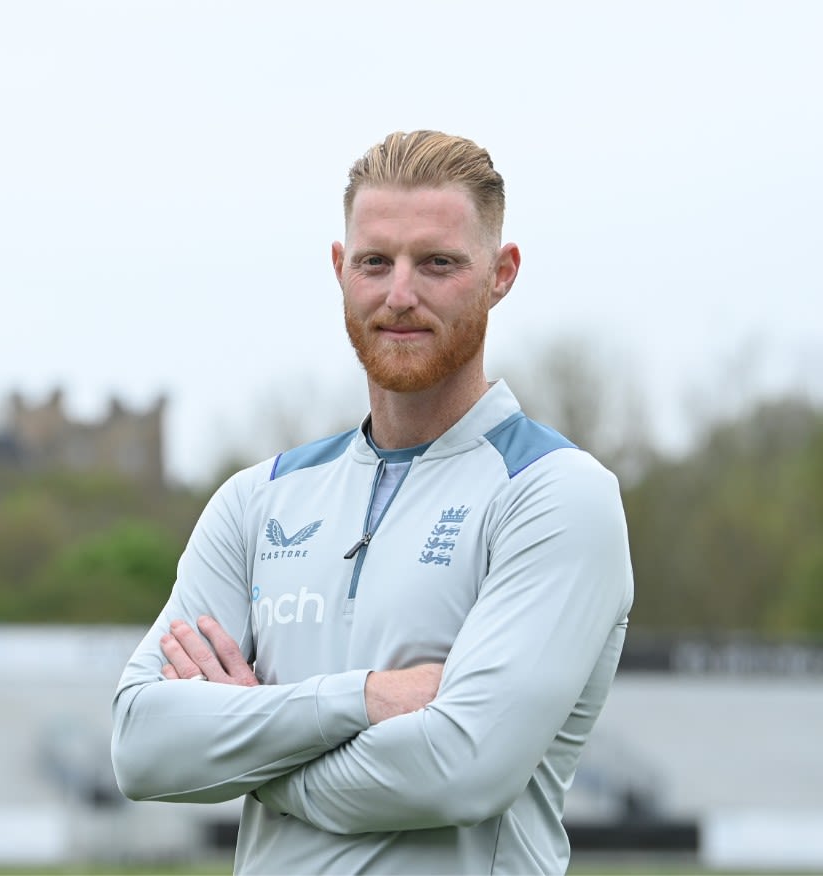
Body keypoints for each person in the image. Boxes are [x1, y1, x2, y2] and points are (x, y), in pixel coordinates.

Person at [110, 130, 634, 875]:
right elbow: (140, 746)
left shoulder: (555, 494)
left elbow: (461, 769)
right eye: (375, 262)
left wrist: (255, 749)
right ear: (339, 268)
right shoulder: (255, 501)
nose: (400, 295)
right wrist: (362, 701)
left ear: (501, 273)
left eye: (439, 263)